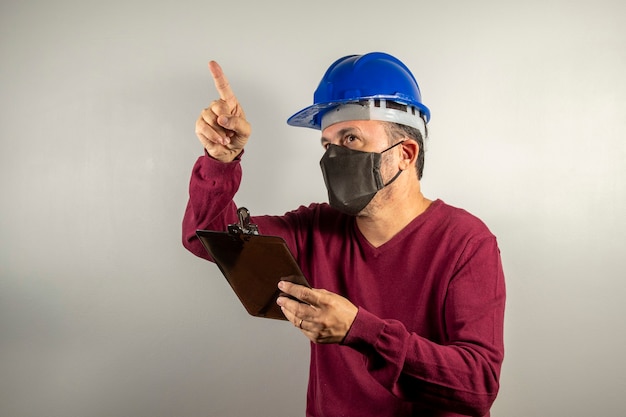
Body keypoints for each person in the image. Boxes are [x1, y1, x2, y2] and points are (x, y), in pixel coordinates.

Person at [182, 52, 505, 417]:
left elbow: (477, 385)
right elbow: (207, 238)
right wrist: (220, 159)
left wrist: (362, 331)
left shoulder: (466, 243)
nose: (333, 156)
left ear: (406, 154)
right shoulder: (316, 228)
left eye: (350, 138)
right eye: (327, 144)